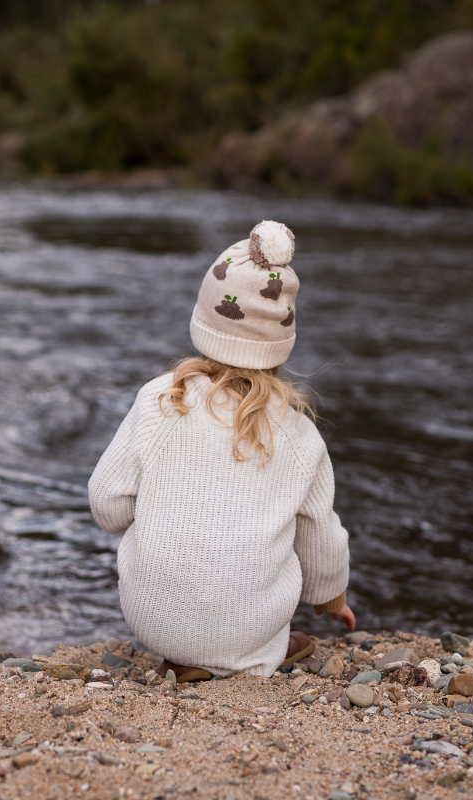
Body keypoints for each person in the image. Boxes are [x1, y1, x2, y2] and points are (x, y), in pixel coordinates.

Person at [89, 221, 355, 683]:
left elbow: (107, 503)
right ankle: (250, 657)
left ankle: (186, 653)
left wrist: (158, 518)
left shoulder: (161, 399)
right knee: (279, 555)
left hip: (151, 616)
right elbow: (319, 536)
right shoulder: (298, 433)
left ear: (204, 324)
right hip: (245, 626)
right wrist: (330, 596)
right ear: (280, 342)